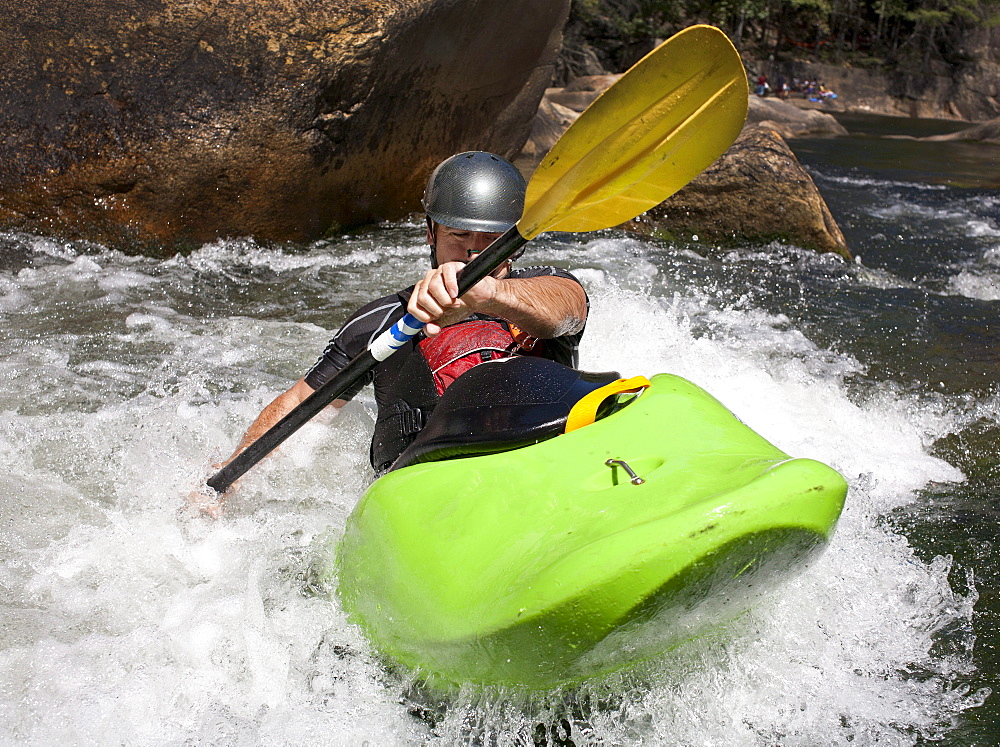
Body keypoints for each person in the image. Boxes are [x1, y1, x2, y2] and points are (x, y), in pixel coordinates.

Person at [201, 151, 588, 507]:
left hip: (544, 458)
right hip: (430, 489)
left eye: (491, 240)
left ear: (514, 243)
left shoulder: (544, 288)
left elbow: (566, 310)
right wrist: (228, 480)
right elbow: (300, 406)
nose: (474, 254)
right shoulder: (381, 322)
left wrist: (488, 294)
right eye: (458, 236)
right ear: (430, 233)